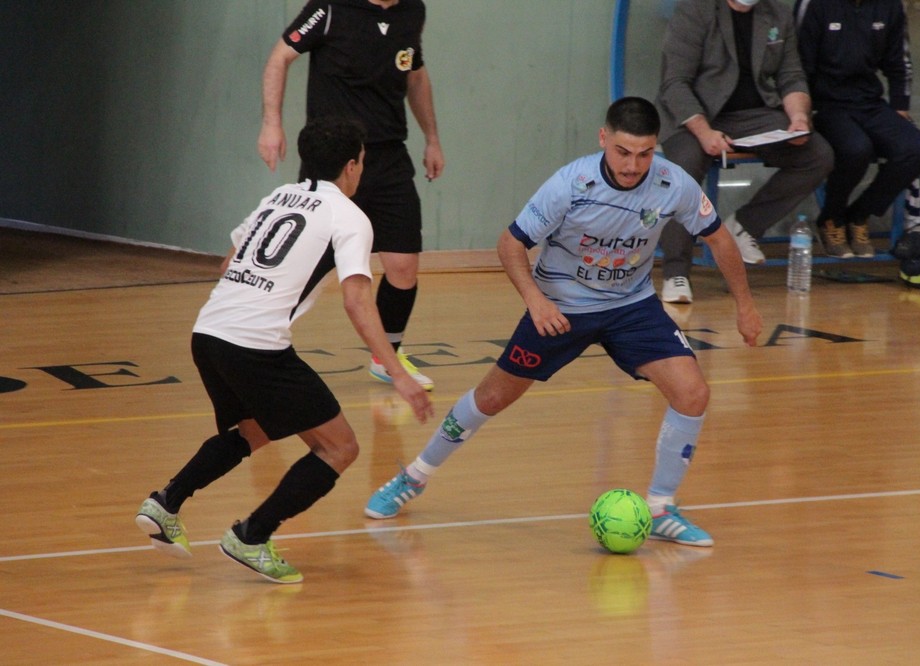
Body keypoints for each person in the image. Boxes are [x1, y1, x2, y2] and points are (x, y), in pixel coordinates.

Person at [364, 97, 763, 547]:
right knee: (491, 398)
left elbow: (720, 240)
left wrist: (744, 305)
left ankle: (661, 507)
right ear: (602, 140)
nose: (634, 166)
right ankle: (413, 477)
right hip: (560, 307)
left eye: (645, 153)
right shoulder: (570, 184)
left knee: (693, 393)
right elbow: (510, 244)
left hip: (632, 305)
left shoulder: (674, 183)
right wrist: (535, 300)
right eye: (623, 152)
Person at [135, 117, 433, 584]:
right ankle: (252, 535)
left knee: (254, 428)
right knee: (340, 447)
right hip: (255, 346)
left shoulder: (275, 198)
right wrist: (396, 371)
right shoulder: (350, 217)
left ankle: (166, 501)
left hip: (208, 332)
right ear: (353, 166)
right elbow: (357, 301)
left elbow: (227, 262)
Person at [258, 0, 444, 390]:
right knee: (304, 265)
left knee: (403, 267)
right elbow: (280, 57)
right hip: (333, 157)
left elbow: (415, 74)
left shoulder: (412, 11)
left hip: (390, 155)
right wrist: (272, 124)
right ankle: (259, 348)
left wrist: (432, 138)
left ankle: (386, 357)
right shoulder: (329, 8)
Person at [657, 0, 834, 304]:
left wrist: (799, 118)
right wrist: (705, 132)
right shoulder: (695, 9)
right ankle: (676, 271)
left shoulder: (777, 12)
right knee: (684, 166)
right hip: (695, 116)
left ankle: (743, 226)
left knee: (817, 154)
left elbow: (791, 76)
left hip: (754, 114)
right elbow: (674, 83)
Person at [794, 0, 920, 259]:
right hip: (826, 104)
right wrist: (801, 113)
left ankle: (859, 215)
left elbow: (900, 62)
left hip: (869, 102)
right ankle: (831, 219)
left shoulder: (891, 6)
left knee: (916, 148)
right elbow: (798, 65)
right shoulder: (812, 5)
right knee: (856, 149)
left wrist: (900, 108)